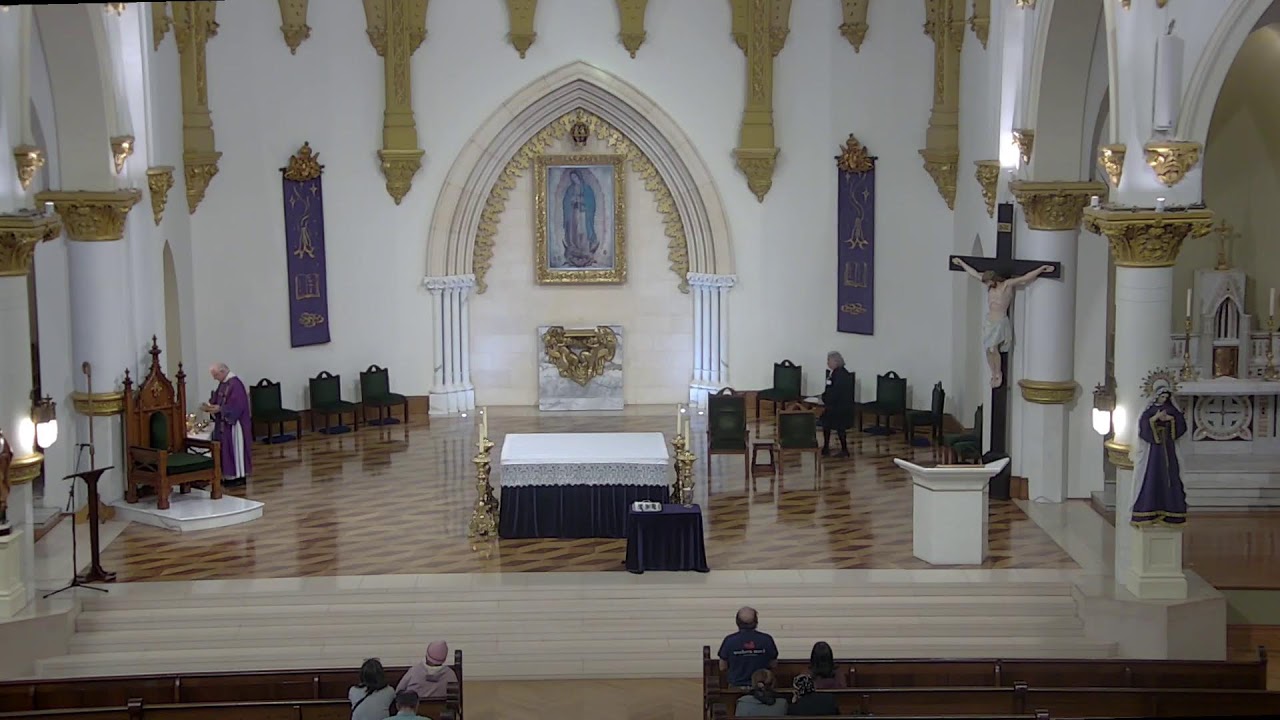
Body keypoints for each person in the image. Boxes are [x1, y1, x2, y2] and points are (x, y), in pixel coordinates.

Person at [951, 258, 1056, 388]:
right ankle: (993, 372)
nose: (987, 284)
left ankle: (998, 373)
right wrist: (961, 263)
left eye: (988, 281)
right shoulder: (989, 286)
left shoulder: (1007, 285)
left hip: (999, 322)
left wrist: (1041, 269)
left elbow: (1025, 278)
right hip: (990, 321)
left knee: (993, 348)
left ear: (994, 279)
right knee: (988, 350)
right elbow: (974, 273)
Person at [1131, 379, 1188, 527]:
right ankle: (1149, 508)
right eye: (1162, 397)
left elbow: (1181, 425)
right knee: (1152, 475)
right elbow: (1143, 426)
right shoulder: (1149, 411)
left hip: (1168, 449)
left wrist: (1171, 420)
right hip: (1154, 452)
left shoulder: (1171, 410)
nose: (1164, 400)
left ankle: (1172, 508)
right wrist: (1154, 419)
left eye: (1166, 397)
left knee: (1170, 475)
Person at [202, 362, 252, 486]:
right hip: (224, 424)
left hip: (236, 425)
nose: (214, 378)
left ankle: (238, 477)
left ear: (223, 371)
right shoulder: (224, 383)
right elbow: (218, 399)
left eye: (215, 375)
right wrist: (210, 406)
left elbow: (238, 406)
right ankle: (228, 476)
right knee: (226, 450)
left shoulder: (235, 384)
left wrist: (220, 409)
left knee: (235, 449)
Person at [718, 607, 779, 688]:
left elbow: (722, 667)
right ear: (756, 621)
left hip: (736, 687)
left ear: (737, 622)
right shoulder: (767, 639)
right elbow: (773, 664)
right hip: (762, 687)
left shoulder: (729, 641)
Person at [561, 168, 599, 267]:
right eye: (572, 178)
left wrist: (581, 200)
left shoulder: (587, 188)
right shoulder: (570, 189)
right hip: (574, 213)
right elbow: (566, 202)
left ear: (579, 177)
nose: (574, 179)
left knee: (584, 230)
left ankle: (584, 248)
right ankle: (575, 248)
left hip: (584, 214)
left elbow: (591, 202)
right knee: (574, 230)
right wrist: (571, 201)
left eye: (575, 177)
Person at [820, 352, 854, 458]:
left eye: (829, 360)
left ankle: (829, 448)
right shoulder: (841, 373)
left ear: (835, 361)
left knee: (829, 425)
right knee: (837, 428)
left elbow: (835, 391)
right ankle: (837, 448)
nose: (827, 363)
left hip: (838, 407)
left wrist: (824, 398)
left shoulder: (838, 375)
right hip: (840, 406)